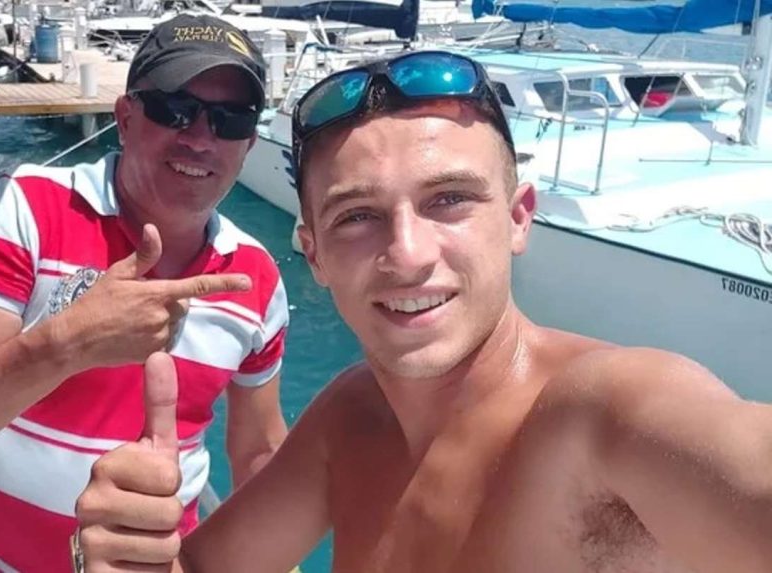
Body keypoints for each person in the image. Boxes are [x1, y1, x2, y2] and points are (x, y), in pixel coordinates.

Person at [73, 50, 772, 572]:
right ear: (314, 254)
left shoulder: (600, 414)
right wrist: (117, 552)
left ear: (519, 218)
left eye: (449, 200)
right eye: (357, 216)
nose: (406, 254)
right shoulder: (351, 419)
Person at [0, 14, 290, 572]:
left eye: (231, 120)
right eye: (174, 108)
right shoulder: (25, 211)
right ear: (125, 118)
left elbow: (257, 452)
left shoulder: (256, 278)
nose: (201, 138)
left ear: (249, 142)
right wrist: (73, 342)